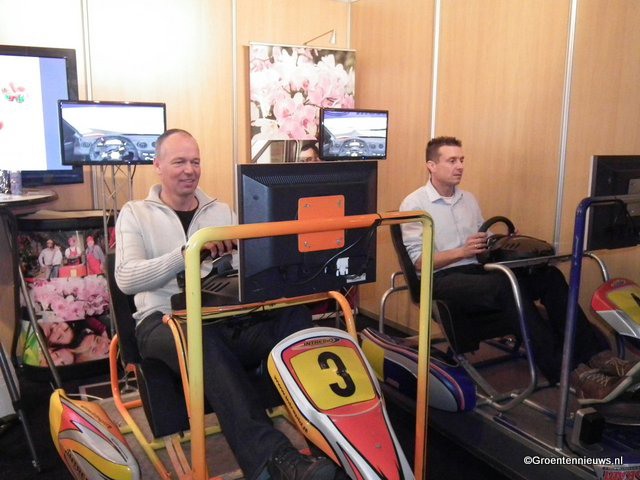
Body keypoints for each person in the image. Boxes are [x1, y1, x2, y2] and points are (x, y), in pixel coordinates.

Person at [115, 129, 340, 480]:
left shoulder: (221, 211)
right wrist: (188, 253)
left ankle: (333, 440)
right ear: (157, 165)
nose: (189, 170)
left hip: (221, 317)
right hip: (161, 322)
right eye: (179, 162)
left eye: (195, 162)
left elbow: (250, 267)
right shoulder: (135, 213)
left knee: (293, 319)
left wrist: (243, 260)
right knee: (199, 338)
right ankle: (271, 461)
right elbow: (126, 278)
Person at [400, 136, 640, 404]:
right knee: (505, 285)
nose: (460, 166)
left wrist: (503, 241)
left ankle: (597, 355)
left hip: (477, 271)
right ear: (431, 165)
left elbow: (483, 239)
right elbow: (419, 261)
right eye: (452, 161)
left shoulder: (468, 200)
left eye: (462, 160)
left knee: (549, 276)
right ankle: (571, 372)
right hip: (441, 278)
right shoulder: (414, 204)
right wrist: (463, 252)